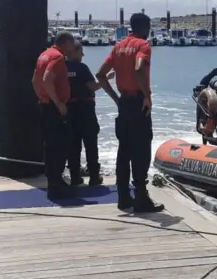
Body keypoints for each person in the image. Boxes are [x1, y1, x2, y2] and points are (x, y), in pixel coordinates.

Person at [96, 11, 163, 212]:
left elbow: (100, 74)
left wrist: (116, 98)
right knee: (141, 150)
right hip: (138, 103)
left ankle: (123, 197)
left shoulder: (118, 46)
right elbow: (138, 67)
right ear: (145, 28)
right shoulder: (143, 45)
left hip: (124, 102)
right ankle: (141, 197)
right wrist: (147, 96)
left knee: (124, 150)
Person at [32, 31, 75, 199]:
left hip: (45, 105)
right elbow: (47, 78)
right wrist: (58, 102)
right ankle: (56, 186)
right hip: (55, 108)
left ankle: (55, 181)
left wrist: (41, 97)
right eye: (72, 43)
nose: (73, 47)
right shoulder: (57, 58)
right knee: (60, 146)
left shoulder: (44, 55)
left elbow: (35, 79)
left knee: (50, 146)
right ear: (65, 43)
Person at [65, 40, 112, 187]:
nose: (83, 55)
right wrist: (107, 78)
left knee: (73, 144)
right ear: (73, 52)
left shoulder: (61, 68)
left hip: (69, 109)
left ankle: (74, 176)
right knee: (91, 143)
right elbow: (93, 86)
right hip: (85, 109)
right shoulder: (81, 68)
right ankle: (94, 176)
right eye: (80, 52)